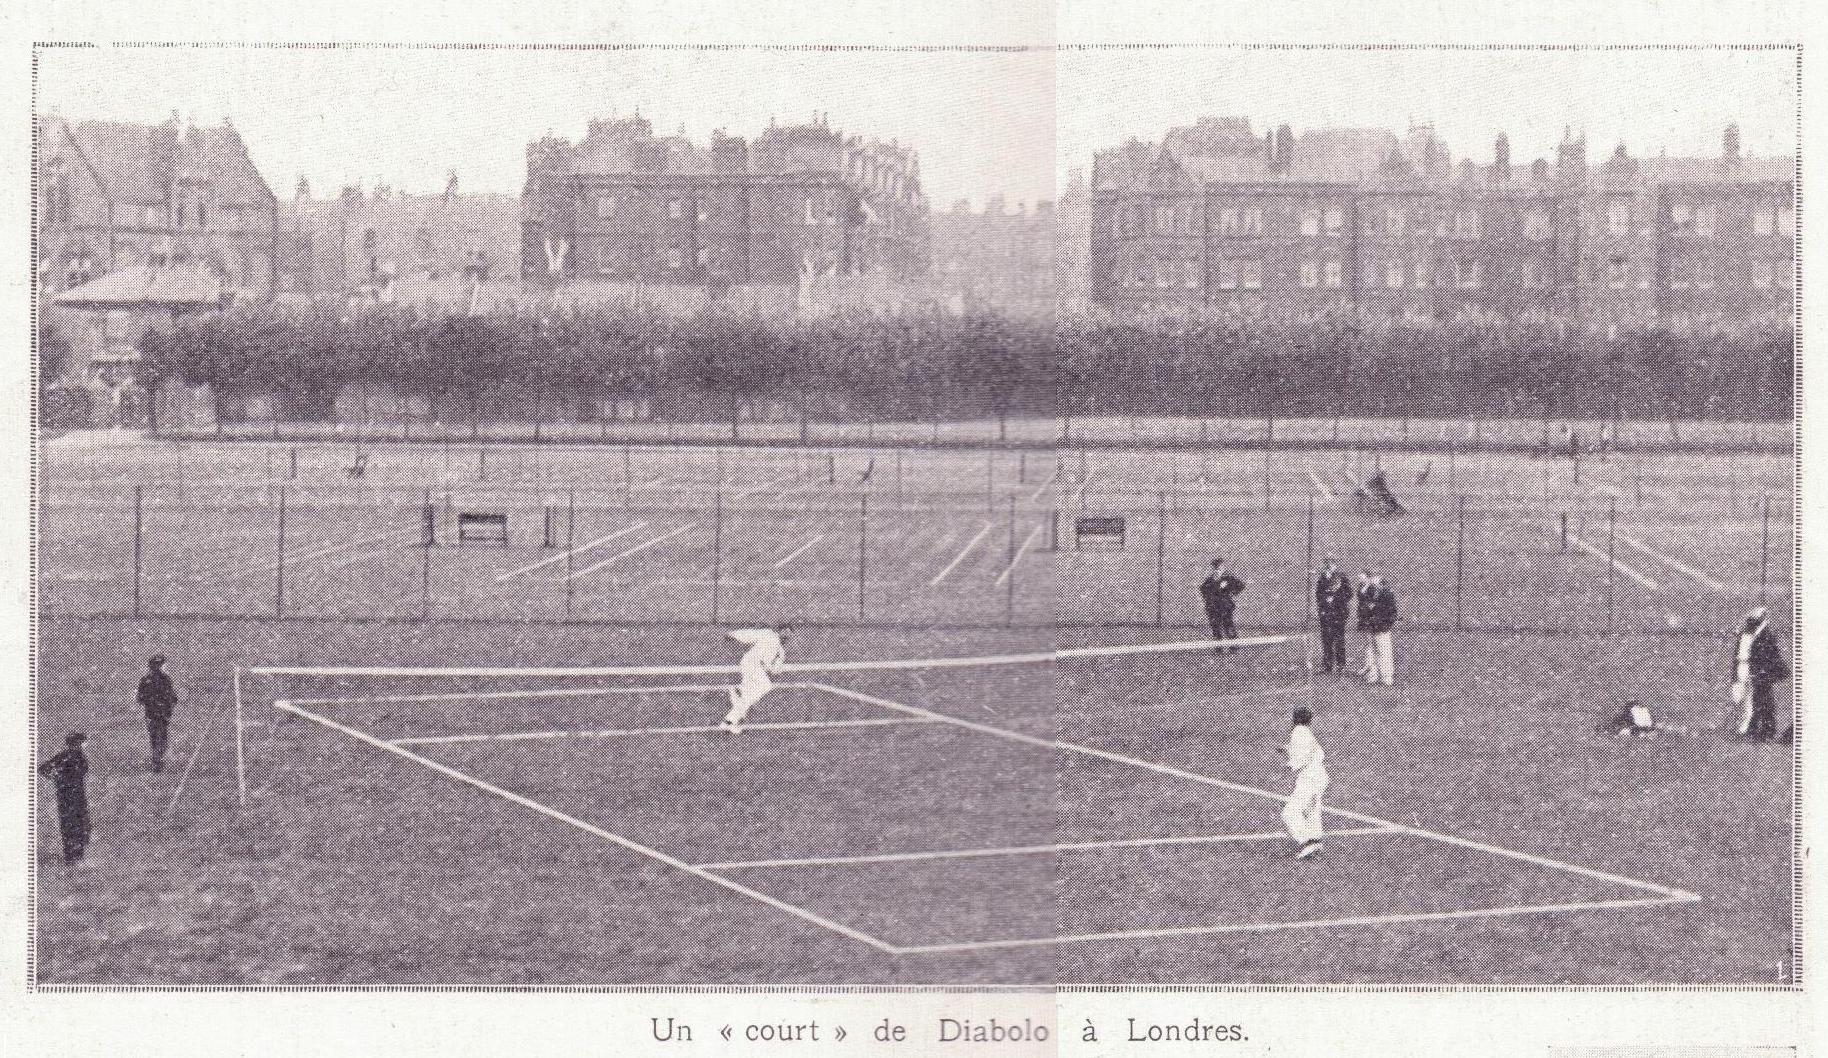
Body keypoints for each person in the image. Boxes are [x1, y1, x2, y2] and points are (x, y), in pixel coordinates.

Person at [720, 625, 791, 734]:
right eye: (785, 632)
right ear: (779, 631)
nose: (786, 636)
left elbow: (774, 670)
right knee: (765, 686)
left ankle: (729, 722)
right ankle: (734, 711)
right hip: (751, 663)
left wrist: (776, 667)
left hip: (758, 669)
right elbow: (750, 635)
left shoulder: (781, 652)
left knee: (747, 697)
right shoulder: (768, 634)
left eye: (789, 634)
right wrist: (733, 634)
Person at [1732, 607, 1789, 742]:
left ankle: (1764, 731)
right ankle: (1756, 729)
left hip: (1762, 674)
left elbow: (1769, 657)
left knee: (1763, 702)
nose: (1750, 623)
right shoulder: (1753, 634)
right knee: (1757, 700)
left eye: (1753, 620)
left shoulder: (1765, 635)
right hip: (1756, 672)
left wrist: (1761, 673)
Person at [1280, 708, 1329, 860]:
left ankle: (1307, 842)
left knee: (1289, 813)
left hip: (1310, 778)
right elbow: (1315, 752)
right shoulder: (1307, 732)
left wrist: (1289, 762)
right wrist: (1288, 750)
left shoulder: (1298, 732)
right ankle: (1315, 841)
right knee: (1311, 811)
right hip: (1319, 776)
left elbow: (1299, 760)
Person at [38, 733, 91, 865]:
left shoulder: (71, 756)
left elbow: (43, 769)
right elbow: (43, 769)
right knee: (76, 824)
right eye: (80, 743)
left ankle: (73, 856)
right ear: (74, 743)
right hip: (72, 795)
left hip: (69, 795)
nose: (81, 746)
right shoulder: (72, 756)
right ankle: (74, 857)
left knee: (74, 824)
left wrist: (57, 777)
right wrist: (58, 777)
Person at [138, 654, 178, 773]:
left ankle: (157, 760)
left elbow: (140, 698)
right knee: (160, 738)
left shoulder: (147, 680)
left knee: (156, 738)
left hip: (155, 714)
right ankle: (157, 760)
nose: (158, 667)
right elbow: (173, 697)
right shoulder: (164, 679)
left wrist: (150, 701)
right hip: (160, 714)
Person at [1314, 557, 1353, 674]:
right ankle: (1327, 666)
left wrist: (1335, 599)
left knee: (1339, 639)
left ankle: (1341, 665)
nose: (1328, 565)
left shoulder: (1342, 577)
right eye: (1327, 563)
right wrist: (1325, 600)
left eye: (1331, 563)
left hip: (1338, 613)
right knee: (1326, 639)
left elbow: (1349, 594)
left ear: (1335, 564)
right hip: (1326, 614)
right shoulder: (1322, 578)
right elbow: (1318, 594)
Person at [1199, 559, 1246, 654]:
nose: (1217, 570)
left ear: (1222, 568)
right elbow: (1203, 590)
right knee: (1215, 627)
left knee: (1228, 625)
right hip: (1213, 606)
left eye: (1219, 568)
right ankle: (1218, 648)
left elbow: (1240, 585)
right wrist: (1209, 598)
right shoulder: (1209, 580)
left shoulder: (1228, 578)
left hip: (1225, 606)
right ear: (1213, 569)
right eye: (1215, 568)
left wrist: (1232, 593)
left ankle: (1234, 646)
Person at [1361, 573, 1397, 686]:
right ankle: (1373, 675)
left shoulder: (1387, 593)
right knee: (1372, 651)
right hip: (1372, 626)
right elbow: (1364, 604)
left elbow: (1392, 611)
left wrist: (1386, 623)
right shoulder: (1370, 591)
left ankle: (1387, 677)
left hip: (1382, 626)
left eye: (1375, 578)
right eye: (1372, 578)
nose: (1373, 581)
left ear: (1380, 579)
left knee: (1384, 651)